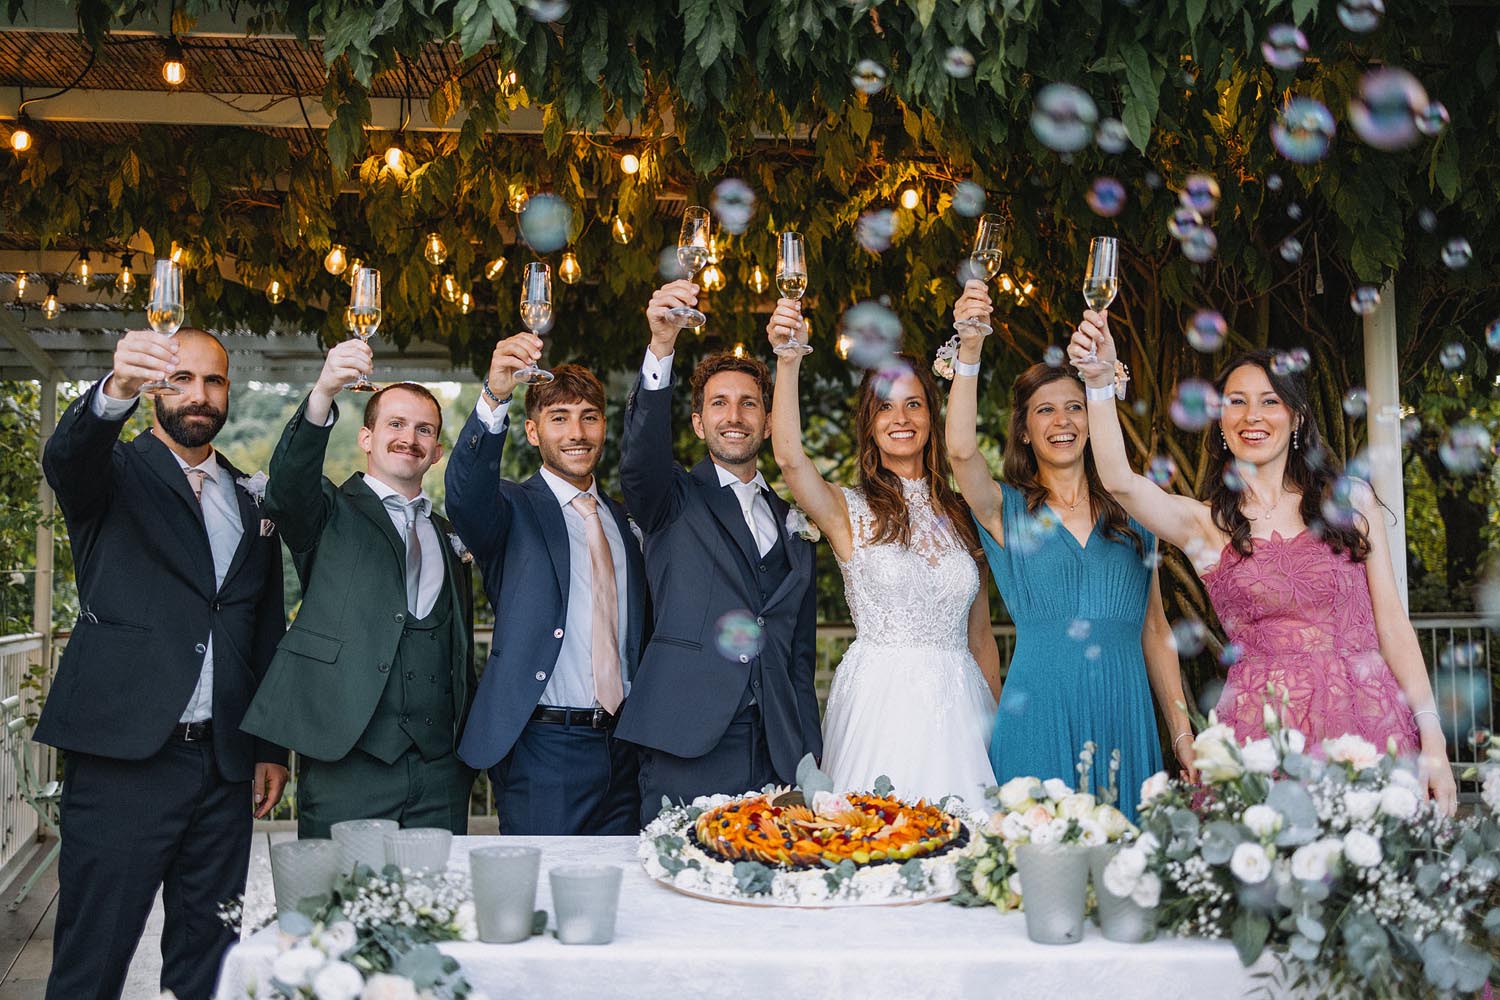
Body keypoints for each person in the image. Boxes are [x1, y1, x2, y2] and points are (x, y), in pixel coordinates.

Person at [1068, 310, 1458, 815]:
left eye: (1270, 401)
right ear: (1221, 423)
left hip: (1369, 723)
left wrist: (1433, 738)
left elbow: (1393, 625)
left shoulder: (1352, 500)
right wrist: (1099, 383)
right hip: (1261, 736)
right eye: (1237, 402)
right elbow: (1119, 480)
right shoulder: (1205, 526)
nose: (1253, 415)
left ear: (1296, 418)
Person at [38, 328, 287, 1000]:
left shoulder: (248, 494)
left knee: (208, 965)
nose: (200, 395)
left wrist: (268, 747)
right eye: (182, 379)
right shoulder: (111, 473)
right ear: (155, 388)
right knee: (92, 963)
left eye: (214, 381)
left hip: (224, 767)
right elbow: (68, 455)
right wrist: (114, 388)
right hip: (124, 760)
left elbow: (261, 627)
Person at [948, 282, 1188, 820]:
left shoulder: (1137, 512)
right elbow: (961, 450)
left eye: (1075, 408)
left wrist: (1181, 735)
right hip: (1038, 713)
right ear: (1026, 431)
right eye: (1045, 411)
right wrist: (969, 348)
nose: (1062, 422)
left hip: (1124, 716)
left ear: (1093, 417)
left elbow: (1155, 629)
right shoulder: (1006, 511)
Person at [766, 297, 998, 804]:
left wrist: (996, 731)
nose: (901, 417)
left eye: (914, 403)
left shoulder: (963, 514)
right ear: (869, 423)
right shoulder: (846, 510)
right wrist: (787, 363)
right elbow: (788, 458)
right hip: (881, 703)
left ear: (930, 416)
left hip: (962, 708)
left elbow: (981, 638)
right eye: (886, 406)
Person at [241, 341, 476, 837]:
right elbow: (287, 486)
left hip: (441, 773)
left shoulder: (448, 533)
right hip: (347, 762)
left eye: (424, 429)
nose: (408, 438)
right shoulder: (326, 512)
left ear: (436, 452)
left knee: (440, 910)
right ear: (366, 438)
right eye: (395, 424)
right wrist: (325, 390)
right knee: (339, 910)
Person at [615, 279, 822, 823]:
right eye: (719, 404)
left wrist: (808, 756)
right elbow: (639, 458)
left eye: (749, 404)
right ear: (698, 422)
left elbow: (799, 654)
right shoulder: (670, 497)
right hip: (686, 739)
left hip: (775, 750)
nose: (735, 416)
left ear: (767, 419)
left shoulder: (794, 518)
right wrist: (662, 346)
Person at [445, 335, 645, 834]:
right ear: (533, 432)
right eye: (559, 418)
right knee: (542, 907)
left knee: (621, 903)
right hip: (544, 751)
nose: (577, 432)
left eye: (589, 417)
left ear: (604, 426)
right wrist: (494, 396)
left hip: (626, 750)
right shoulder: (510, 509)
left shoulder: (625, 522)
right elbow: (465, 495)